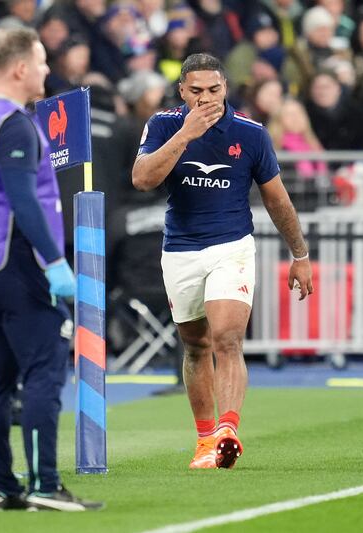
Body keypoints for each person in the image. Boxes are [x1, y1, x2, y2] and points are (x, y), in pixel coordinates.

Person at [132, 53, 313, 470]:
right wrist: (185, 134)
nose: (206, 98)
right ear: (182, 91)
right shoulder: (163, 124)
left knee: (227, 339)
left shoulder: (250, 134)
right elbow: (142, 179)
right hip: (179, 249)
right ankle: (203, 440)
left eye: (213, 90)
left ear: (225, 89)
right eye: (196, 91)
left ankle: (228, 430)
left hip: (231, 246)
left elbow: (277, 199)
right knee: (195, 345)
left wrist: (299, 255)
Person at [0, 28, 102, 511]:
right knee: (44, 370)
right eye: (39, 63)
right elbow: (22, 198)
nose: (46, 71)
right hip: (12, 260)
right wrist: (56, 262)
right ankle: (43, 484)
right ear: (18, 68)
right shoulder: (12, 122)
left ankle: (4, 487)